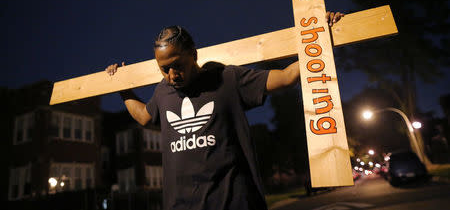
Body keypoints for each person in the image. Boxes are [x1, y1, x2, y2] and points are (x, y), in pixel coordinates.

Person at [106, 12, 343, 210]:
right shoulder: (163, 92)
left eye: (178, 65)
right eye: (164, 69)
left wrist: (320, 38)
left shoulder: (227, 79)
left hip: (233, 203)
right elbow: (143, 116)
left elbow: (287, 77)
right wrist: (122, 88)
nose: (172, 75)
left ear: (193, 55)